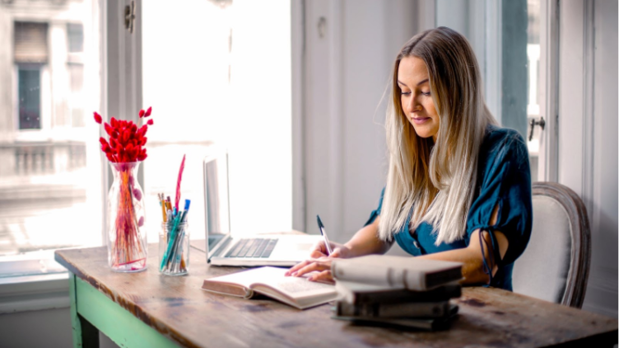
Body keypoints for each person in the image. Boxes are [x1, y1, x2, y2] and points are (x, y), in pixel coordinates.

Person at [286, 26, 532, 291]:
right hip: (418, 309)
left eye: (426, 92)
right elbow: (385, 224)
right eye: (404, 91)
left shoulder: (502, 152)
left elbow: (480, 262)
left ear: (459, 92)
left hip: (481, 317)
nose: (412, 106)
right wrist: (346, 252)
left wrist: (368, 271)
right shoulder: (419, 148)